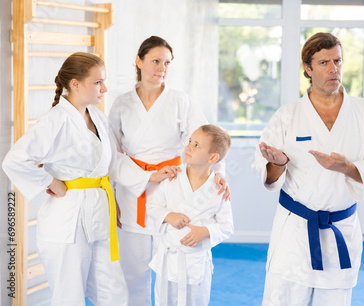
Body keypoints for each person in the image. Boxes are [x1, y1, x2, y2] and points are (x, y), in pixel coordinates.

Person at [2, 52, 173, 305]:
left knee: (115, 294)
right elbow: (14, 160)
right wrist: (50, 182)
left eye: (104, 81)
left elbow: (113, 161)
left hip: (99, 212)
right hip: (68, 219)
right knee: (68, 296)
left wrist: (150, 175)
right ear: (75, 84)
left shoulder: (96, 117)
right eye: (98, 82)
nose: (105, 88)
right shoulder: (55, 120)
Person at [253, 32, 364, 305]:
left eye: (338, 61)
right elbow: (265, 172)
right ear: (307, 68)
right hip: (294, 232)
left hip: (340, 228)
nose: (334, 69)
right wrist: (278, 164)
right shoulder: (288, 115)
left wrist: (349, 167)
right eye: (323, 63)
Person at [108, 35, 229, 305]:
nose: (161, 68)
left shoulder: (180, 100)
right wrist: (141, 179)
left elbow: (209, 138)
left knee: (174, 267)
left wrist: (218, 173)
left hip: (173, 190)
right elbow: (112, 155)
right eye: (155, 61)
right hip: (133, 192)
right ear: (139, 62)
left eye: (167, 62)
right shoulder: (121, 104)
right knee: (134, 271)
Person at [147, 124, 233, 306]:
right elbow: (152, 206)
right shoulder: (172, 177)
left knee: (196, 301)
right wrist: (169, 215)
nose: (188, 147)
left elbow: (227, 227)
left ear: (213, 157)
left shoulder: (218, 189)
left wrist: (205, 231)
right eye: (190, 141)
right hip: (168, 260)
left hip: (196, 264)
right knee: (165, 301)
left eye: (196, 145)